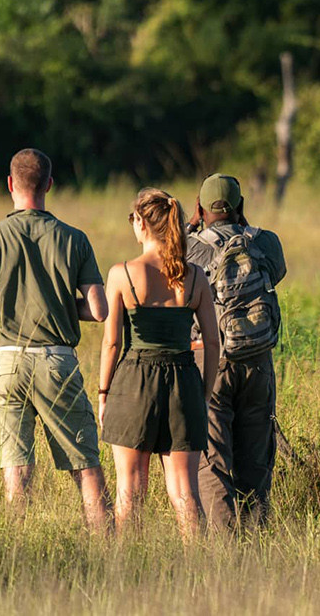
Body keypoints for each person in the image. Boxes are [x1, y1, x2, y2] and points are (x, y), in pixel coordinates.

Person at [0, 148, 112, 531]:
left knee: (16, 467)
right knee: (85, 463)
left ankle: (17, 545)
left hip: (8, 359)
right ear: (49, 184)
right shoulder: (74, 238)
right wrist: (57, 304)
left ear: (10, 184)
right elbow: (98, 310)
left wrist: (12, 303)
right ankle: (109, 549)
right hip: (57, 359)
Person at [97, 188, 219, 538]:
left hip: (134, 381)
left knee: (130, 490)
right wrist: (204, 393)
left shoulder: (121, 273)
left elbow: (112, 342)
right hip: (184, 380)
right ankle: (199, 570)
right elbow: (212, 341)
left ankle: (127, 570)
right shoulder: (195, 276)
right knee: (185, 491)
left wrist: (103, 393)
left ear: (141, 223)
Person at [185, 173, 288, 531]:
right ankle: (257, 537)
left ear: (199, 209)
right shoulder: (266, 243)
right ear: (241, 207)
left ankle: (226, 548)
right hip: (258, 359)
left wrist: (189, 226)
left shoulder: (189, 247)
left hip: (208, 359)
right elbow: (277, 273)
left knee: (212, 458)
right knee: (257, 457)